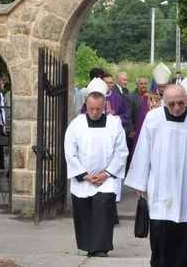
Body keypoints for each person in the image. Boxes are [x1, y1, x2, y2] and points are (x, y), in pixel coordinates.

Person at [125, 84, 187, 267]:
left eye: (181, 103)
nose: (176, 108)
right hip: (161, 190)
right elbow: (143, 150)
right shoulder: (153, 119)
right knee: (162, 247)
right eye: (171, 104)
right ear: (163, 103)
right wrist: (139, 183)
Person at [64, 90, 128, 258]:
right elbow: (70, 152)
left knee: (103, 213)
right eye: (91, 108)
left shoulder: (114, 124)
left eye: (98, 109)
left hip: (104, 180)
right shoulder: (76, 124)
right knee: (84, 214)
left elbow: (121, 152)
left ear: (104, 106)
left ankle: (102, 248)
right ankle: (88, 246)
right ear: (86, 105)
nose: (94, 112)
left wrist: (107, 174)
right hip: (83, 179)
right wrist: (84, 175)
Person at [133, 63, 169, 151]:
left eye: (163, 87)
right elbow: (143, 116)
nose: (161, 89)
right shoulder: (149, 96)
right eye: (159, 86)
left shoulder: (172, 96)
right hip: (153, 130)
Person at [125, 75, 148, 168]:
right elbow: (128, 115)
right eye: (141, 84)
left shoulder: (150, 96)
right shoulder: (130, 97)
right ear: (136, 85)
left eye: (145, 84)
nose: (143, 86)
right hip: (135, 129)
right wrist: (130, 130)